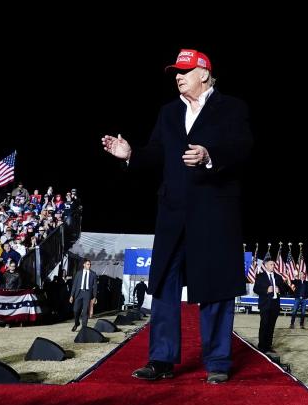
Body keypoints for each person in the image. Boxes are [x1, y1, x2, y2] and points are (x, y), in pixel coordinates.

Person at [101, 49, 253, 383]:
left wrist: (210, 155)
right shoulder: (168, 113)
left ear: (204, 72)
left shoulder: (232, 108)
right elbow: (156, 154)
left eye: (184, 71)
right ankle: (161, 360)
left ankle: (217, 362)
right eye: (175, 72)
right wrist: (131, 155)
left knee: (214, 285)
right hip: (173, 214)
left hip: (215, 213)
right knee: (164, 284)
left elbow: (243, 148)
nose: (177, 76)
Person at [253, 258, 292, 356]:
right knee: (264, 325)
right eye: (271, 264)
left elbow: (285, 288)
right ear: (266, 265)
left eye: (274, 265)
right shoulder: (260, 276)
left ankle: (268, 346)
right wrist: (266, 290)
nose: (273, 266)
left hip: (275, 305)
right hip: (265, 305)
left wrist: (280, 289)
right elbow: (256, 289)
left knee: (271, 326)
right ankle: (262, 346)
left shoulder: (278, 277)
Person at [69, 259, 97, 331]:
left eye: (90, 264)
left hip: (87, 294)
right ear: (84, 265)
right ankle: (77, 323)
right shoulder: (78, 273)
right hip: (79, 293)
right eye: (88, 264)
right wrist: (71, 295)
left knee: (85, 312)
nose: (89, 266)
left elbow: (95, 287)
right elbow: (74, 285)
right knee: (75, 310)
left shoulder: (93, 274)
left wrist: (94, 297)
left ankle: (84, 328)